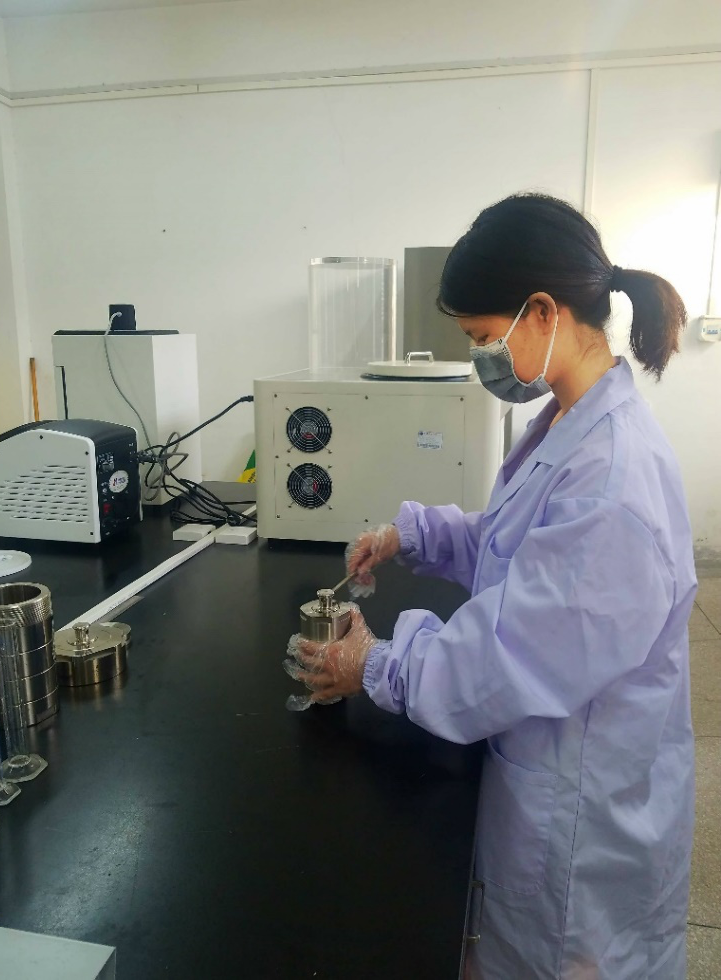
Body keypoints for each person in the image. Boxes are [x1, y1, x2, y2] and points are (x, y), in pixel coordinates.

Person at [284, 194, 697, 979]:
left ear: (542, 312)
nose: (482, 359)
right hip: (550, 769)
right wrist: (418, 536)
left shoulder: (615, 480)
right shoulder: (573, 419)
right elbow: (523, 550)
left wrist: (376, 664)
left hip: (581, 826)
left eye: (482, 338)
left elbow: (506, 654)